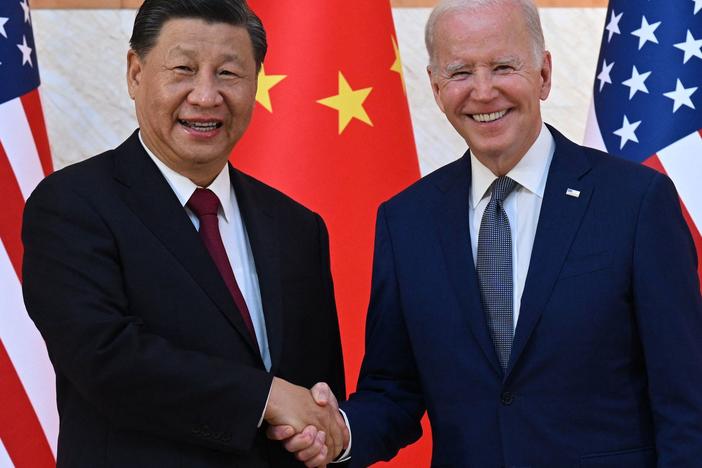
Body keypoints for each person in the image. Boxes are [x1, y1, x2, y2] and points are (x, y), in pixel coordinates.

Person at [270, 0, 702, 466]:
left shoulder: (636, 201)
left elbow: (686, 398)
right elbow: (394, 389)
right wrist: (339, 433)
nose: (483, 91)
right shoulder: (406, 220)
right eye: (460, 73)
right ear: (436, 88)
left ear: (543, 74)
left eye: (502, 66)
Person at [21, 0, 349, 466]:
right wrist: (264, 398)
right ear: (135, 73)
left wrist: (322, 435)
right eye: (184, 69)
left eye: (229, 74)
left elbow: (315, 391)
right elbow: (106, 360)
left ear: (257, 82)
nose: (206, 96)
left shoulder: (297, 226)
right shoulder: (72, 205)